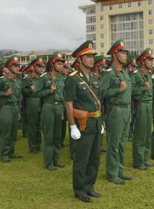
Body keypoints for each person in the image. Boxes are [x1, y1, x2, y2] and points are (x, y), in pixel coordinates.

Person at [64, 41, 103, 202]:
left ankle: (89, 187)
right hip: (83, 124)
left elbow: (98, 101)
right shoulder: (73, 79)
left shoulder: (94, 78)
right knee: (82, 159)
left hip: (95, 121)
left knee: (95, 157)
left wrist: (101, 122)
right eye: (88, 56)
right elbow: (69, 103)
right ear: (79, 59)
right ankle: (79, 190)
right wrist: (72, 126)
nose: (92, 59)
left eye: (92, 56)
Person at [100, 39, 133, 185]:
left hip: (125, 110)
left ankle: (119, 170)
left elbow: (129, 94)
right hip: (115, 111)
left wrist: (130, 111)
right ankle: (112, 173)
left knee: (122, 143)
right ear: (115, 55)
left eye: (125, 53)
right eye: (122, 53)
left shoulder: (124, 73)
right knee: (113, 143)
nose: (125, 55)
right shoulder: (109, 73)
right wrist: (117, 89)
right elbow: (101, 92)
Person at [34, 52, 66, 171]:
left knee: (57, 135)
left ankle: (56, 159)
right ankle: (48, 162)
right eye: (58, 64)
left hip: (59, 107)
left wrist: (62, 110)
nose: (61, 66)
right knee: (49, 135)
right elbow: (36, 93)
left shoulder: (63, 79)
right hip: (48, 106)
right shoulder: (44, 78)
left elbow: (64, 95)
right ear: (52, 65)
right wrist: (48, 91)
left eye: (62, 64)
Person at [0, 56, 22, 162]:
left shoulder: (17, 82)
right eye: (15, 66)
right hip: (6, 108)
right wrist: (5, 93)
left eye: (18, 66)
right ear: (9, 67)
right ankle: (4, 154)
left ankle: (11, 152)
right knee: (6, 132)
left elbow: (19, 96)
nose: (17, 68)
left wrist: (18, 111)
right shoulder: (3, 81)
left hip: (15, 108)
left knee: (14, 132)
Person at [131, 48, 154, 170]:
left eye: (152, 60)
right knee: (140, 133)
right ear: (142, 61)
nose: (152, 62)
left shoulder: (149, 75)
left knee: (147, 133)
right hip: (140, 105)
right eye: (149, 60)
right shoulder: (135, 75)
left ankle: (145, 158)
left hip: (148, 104)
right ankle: (138, 160)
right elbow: (130, 91)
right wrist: (142, 88)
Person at [22, 57, 44, 154]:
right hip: (32, 102)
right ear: (34, 67)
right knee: (32, 126)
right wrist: (30, 90)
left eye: (42, 67)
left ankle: (38, 144)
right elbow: (22, 91)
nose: (41, 69)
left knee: (39, 126)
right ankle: (32, 147)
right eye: (39, 67)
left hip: (41, 102)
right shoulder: (28, 79)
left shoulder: (43, 78)